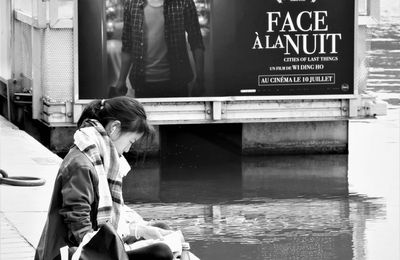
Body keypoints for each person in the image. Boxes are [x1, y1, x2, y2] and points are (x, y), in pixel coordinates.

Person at [35, 97, 174, 260]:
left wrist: (138, 231)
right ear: (114, 128)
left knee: (160, 229)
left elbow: (102, 225)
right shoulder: (82, 166)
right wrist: (125, 243)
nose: (128, 149)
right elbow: (81, 234)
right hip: (70, 255)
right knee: (161, 253)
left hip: (88, 247)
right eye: (131, 141)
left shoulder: (95, 158)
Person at [115, 0, 205, 98]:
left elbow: (196, 41)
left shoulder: (183, 2)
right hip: (142, 82)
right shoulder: (132, 3)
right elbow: (127, 45)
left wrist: (200, 79)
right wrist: (121, 80)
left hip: (177, 81)